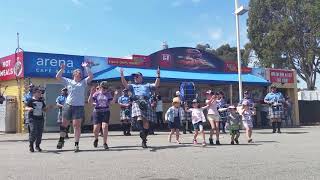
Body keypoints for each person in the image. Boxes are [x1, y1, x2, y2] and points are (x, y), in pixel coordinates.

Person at [56, 62, 93, 152]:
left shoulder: (83, 82)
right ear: (74, 74)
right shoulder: (68, 81)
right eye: (77, 72)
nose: (79, 74)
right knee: (64, 124)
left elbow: (91, 76)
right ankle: (61, 140)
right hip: (68, 105)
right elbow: (58, 77)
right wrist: (62, 69)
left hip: (79, 107)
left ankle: (76, 144)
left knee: (77, 126)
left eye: (80, 73)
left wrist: (87, 67)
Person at [120, 67, 160, 148]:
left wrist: (158, 75)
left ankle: (144, 140)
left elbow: (156, 85)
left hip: (146, 101)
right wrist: (122, 75)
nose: (135, 78)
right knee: (139, 116)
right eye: (134, 77)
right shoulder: (132, 85)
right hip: (137, 101)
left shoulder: (147, 85)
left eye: (137, 76)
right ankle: (141, 131)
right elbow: (125, 85)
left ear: (141, 77)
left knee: (146, 122)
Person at [88, 81, 118, 150]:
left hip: (105, 111)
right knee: (96, 129)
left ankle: (105, 143)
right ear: (100, 87)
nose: (105, 89)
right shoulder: (96, 94)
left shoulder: (108, 94)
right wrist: (91, 93)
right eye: (103, 88)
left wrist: (115, 95)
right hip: (97, 112)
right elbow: (90, 102)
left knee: (105, 126)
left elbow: (112, 103)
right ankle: (96, 139)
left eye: (106, 88)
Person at [25, 87, 50, 152]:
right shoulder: (31, 100)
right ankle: (31, 145)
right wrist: (29, 109)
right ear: (34, 93)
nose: (40, 93)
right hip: (32, 119)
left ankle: (37, 146)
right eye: (38, 92)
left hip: (40, 118)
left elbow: (44, 109)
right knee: (33, 131)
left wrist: (48, 108)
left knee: (39, 133)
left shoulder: (41, 101)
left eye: (40, 92)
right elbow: (26, 107)